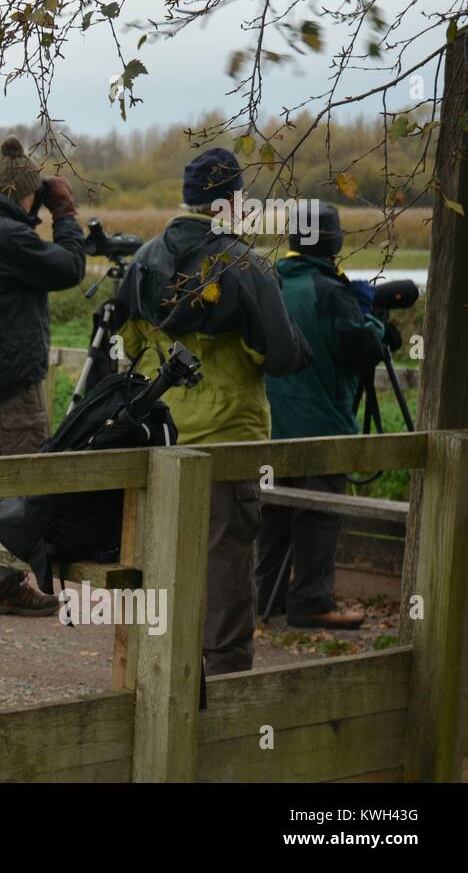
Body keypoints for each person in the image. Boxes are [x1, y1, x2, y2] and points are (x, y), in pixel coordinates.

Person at [115, 147, 311, 674]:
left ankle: (160, 665)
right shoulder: (244, 264)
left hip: (165, 435)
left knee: (163, 552)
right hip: (230, 435)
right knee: (226, 556)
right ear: (230, 202)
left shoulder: (143, 260)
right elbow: (281, 352)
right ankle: (225, 671)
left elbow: (127, 345)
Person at [0, 136, 86, 616]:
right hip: (12, 376)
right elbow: (68, 269)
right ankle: (5, 584)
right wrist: (64, 216)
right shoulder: (7, 234)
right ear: (17, 192)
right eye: (32, 195)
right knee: (23, 480)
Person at [256, 204, 382, 630]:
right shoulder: (330, 291)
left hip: (271, 425)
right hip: (320, 422)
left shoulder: (270, 282)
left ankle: (262, 602)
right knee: (319, 514)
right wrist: (373, 320)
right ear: (335, 240)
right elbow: (360, 350)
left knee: (272, 514)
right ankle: (311, 601)